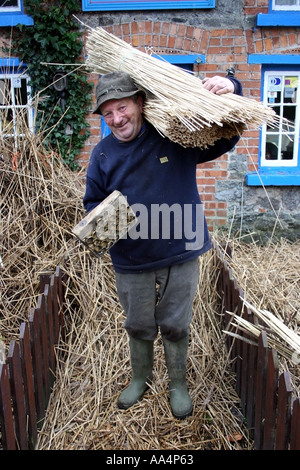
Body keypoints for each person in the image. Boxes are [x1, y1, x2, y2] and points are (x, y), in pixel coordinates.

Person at [83, 70, 243, 419]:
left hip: (180, 250)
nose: (116, 119)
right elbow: (92, 202)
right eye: (107, 113)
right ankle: (140, 378)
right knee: (139, 323)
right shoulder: (102, 155)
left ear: (140, 103)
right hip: (131, 258)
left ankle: (177, 385)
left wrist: (233, 87)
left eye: (122, 108)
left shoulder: (174, 137)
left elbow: (226, 136)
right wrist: (108, 221)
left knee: (175, 323)